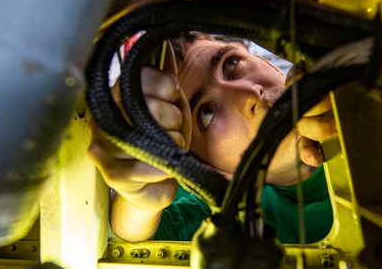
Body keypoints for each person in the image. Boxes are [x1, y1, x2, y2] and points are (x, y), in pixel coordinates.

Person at [87, 32, 338, 243]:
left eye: (231, 64)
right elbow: (133, 237)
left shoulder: (341, 82)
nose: (250, 94)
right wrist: (139, 198)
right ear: (210, 171)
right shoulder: (226, 215)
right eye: (206, 114)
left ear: (267, 62)